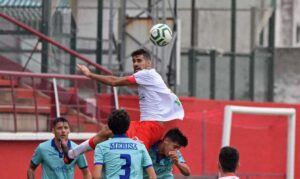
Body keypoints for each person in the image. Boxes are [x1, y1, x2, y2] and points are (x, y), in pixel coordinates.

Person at [63, 48, 184, 163]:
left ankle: (72, 154)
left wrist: (90, 75)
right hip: (146, 125)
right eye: (133, 61)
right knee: (108, 130)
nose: (136, 64)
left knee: (135, 161)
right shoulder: (150, 76)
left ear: (148, 63)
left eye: (139, 60)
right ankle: (71, 155)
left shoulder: (147, 74)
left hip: (150, 127)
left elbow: (114, 81)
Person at [92, 109, 157, 179]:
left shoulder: (101, 147)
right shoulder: (140, 146)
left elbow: (96, 176)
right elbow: (152, 176)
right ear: (128, 126)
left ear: (110, 127)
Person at [27, 117, 91, 179]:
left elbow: (86, 173)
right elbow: (31, 169)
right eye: (59, 128)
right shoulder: (42, 148)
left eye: (66, 128)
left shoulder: (77, 149)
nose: (63, 131)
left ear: (69, 130)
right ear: (53, 131)